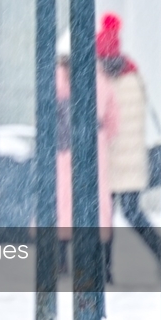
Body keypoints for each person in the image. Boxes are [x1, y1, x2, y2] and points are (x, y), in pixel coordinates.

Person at [96, 13, 161, 266]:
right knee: (133, 213)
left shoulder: (101, 82)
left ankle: (105, 268)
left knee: (104, 216)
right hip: (132, 160)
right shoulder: (134, 75)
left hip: (108, 156)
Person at [55, 53, 118, 277]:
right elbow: (113, 119)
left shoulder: (58, 78)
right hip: (95, 145)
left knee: (64, 202)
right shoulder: (101, 78)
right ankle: (104, 265)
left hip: (65, 147)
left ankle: (62, 261)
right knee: (98, 203)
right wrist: (103, 136)